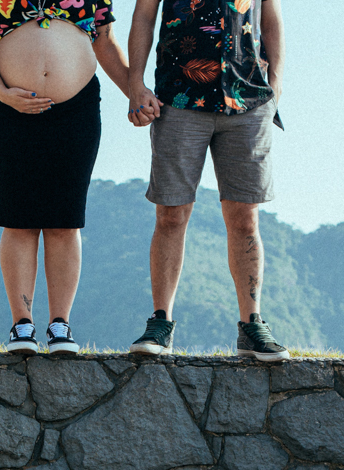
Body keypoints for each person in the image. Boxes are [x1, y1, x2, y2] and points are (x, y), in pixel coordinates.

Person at [125, 0, 291, 362]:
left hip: (248, 97)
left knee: (245, 218)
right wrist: (135, 85)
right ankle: (160, 323)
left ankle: (252, 325)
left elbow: (271, 17)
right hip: (179, 96)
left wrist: (274, 86)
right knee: (171, 214)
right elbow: (143, 15)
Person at [0, 0, 130, 354]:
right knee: (18, 219)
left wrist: (136, 94)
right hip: (10, 109)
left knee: (65, 221)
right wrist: (1, 93)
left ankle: (60, 325)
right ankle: (22, 325)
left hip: (77, 109)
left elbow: (105, 40)